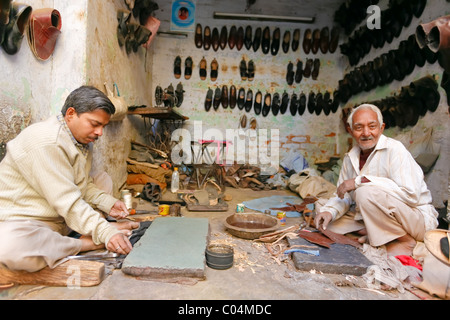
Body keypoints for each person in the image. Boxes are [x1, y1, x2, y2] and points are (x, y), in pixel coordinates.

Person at [0, 85, 138, 272]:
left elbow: (81, 184)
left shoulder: (80, 141)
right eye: (95, 124)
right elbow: (67, 201)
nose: (100, 133)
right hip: (30, 221)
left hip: (62, 220)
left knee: (102, 178)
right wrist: (106, 232)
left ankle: (80, 234)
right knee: (8, 246)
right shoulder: (47, 141)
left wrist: (107, 203)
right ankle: (84, 244)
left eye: (103, 126)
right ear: (71, 114)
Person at [314, 104, 439, 256]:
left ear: (381, 128)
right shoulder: (351, 157)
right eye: (359, 127)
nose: (366, 133)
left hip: (415, 219)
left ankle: (404, 240)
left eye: (372, 126)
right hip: (375, 216)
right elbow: (344, 195)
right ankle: (375, 232)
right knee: (323, 213)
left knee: (364, 192)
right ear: (350, 130)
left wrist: (360, 181)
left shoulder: (395, 150)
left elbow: (411, 195)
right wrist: (329, 211)